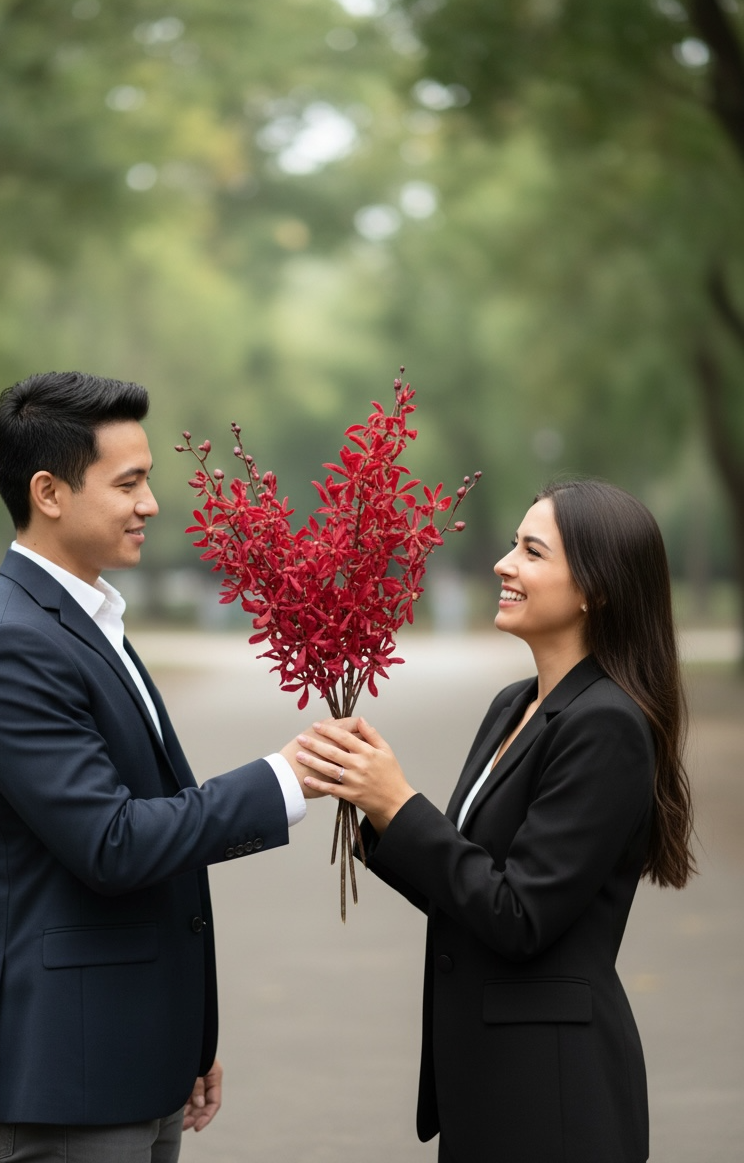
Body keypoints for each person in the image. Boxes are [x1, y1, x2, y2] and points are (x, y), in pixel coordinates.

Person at [0, 370, 319, 1163]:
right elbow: (111, 842)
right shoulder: (10, 643)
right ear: (48, 492)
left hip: (136, 1055)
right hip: (71, 1076)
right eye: (129, 483)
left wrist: (184, 1036)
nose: (151, 503)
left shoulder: (87, 618)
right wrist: (282, 778)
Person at [295, 479, 695, 1163]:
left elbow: (519, 915)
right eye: (513, 545)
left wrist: (399, 804)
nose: (503, 564)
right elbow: (468, 889)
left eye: (531, 552)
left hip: (551, 1094)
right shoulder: (515, 704)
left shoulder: (607, 725)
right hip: (489, 1081)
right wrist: (372, 808)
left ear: (594, 589)